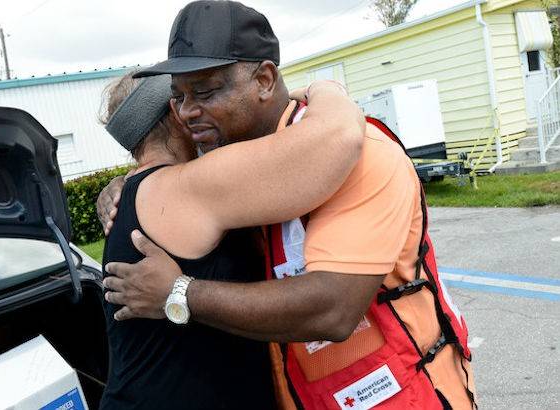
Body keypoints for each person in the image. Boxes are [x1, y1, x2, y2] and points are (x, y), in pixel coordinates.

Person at [99, 1, 477, 409]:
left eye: (205, 92)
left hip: (400, 394)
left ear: (264, 80)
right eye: (178, 97)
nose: (188, 112)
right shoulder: (237, 172)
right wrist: (132, 185)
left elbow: (332, 310)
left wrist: (180, 293)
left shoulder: (358, 154)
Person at [98, 68, 365, 410]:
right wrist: (327, 90)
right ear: (176, 113)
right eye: (189, 97)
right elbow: (337, 139)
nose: (200, 110)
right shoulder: (191, 185)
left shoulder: (137, 191)